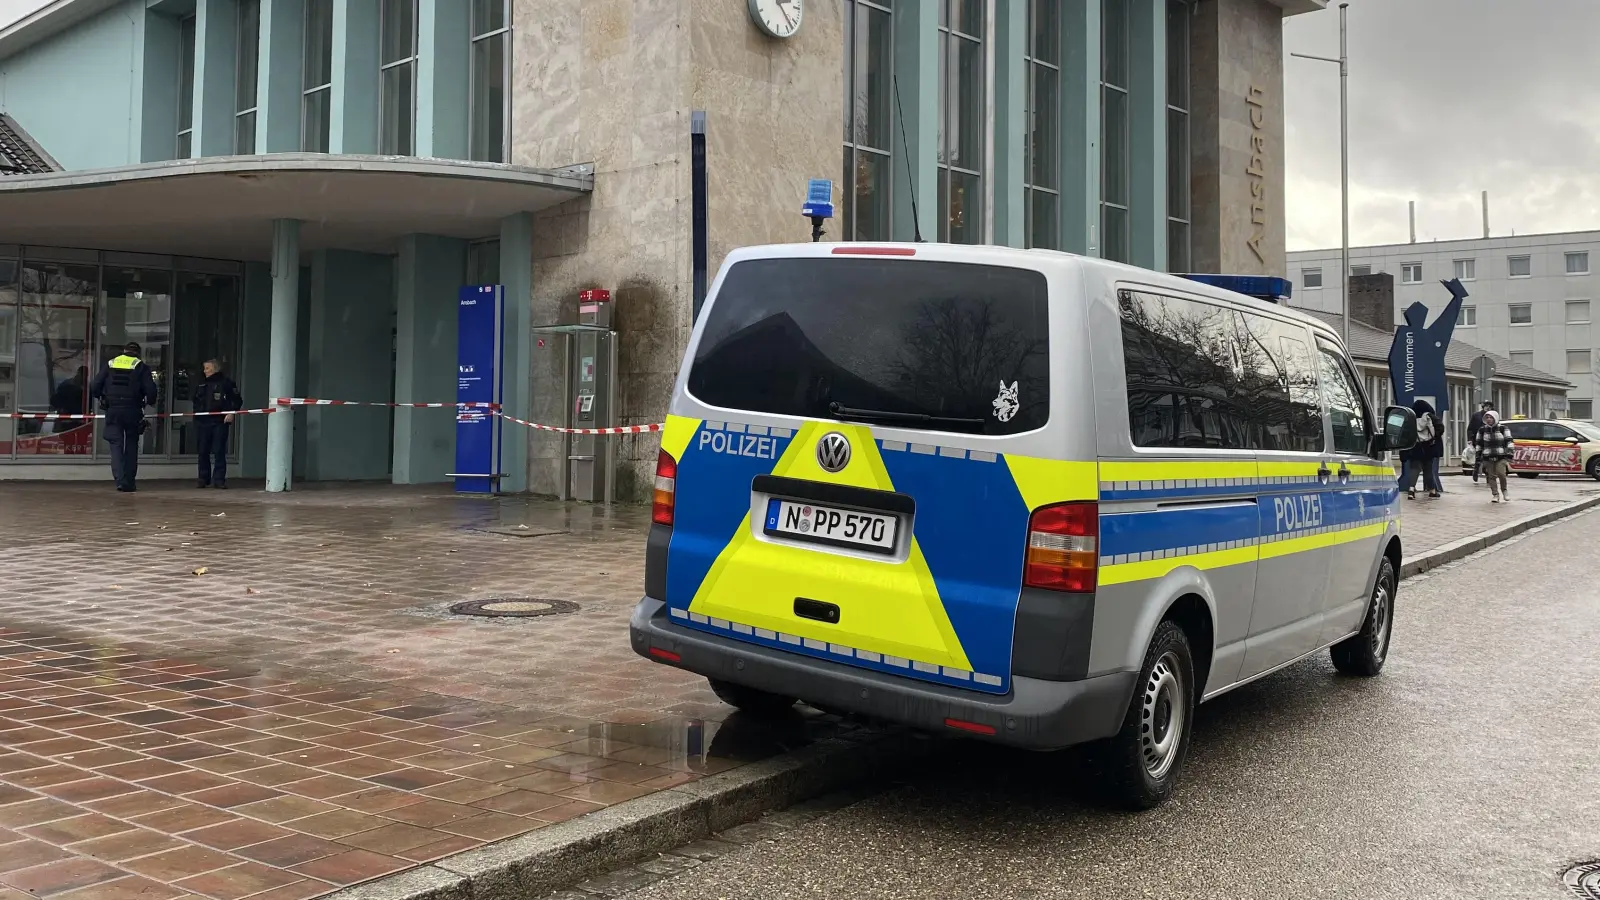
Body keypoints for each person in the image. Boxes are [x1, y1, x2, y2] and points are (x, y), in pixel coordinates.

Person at [90, 342, 158, 492]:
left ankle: (120, 480)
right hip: (132, 410)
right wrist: (149, 402)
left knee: (116, 444)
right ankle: (129, 482)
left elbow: (95, 385)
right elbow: (151, 391)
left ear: (124, 351)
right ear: (138, 353)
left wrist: (101, 397)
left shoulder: (111, 363)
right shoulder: (141, 366)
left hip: (113, 410)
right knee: (131, 445)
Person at [192, 359, 242, 488]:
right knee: (203, 451)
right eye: (204, 368)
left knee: (219, 450)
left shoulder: (226, 383)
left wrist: (232, 413)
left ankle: (219, 479)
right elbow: (196, 401)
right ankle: (203, 478)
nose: (205, 371)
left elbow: (237, 400)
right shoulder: (201, 383)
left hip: (219, 421)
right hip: (203, 421)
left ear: (215, 369)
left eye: (207, 368)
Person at [1400, 398, 1444, 499]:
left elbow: (1404, 433)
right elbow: (1441, 427)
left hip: (1415, 446)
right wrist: (1434, 437)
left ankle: (1411, 491)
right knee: (1428, 469)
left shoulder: (1410, 418)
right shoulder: (1430, 416)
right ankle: (1432, 491)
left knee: (1414, 468)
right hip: (1429, 446)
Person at [1475, 409, 1515, 503]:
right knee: (1491, 476)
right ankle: (1495, 494)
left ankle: (1504, 490)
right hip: (1487, 457)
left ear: (1495, 418)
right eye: (1487, 417)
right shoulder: (1482, 430)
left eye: (1491, 417)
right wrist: (1478, 457)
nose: (1489, 419)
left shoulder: (1503, 428)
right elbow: (1479, 444)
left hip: (1500, 456)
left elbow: (1509, 441)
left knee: (1501, 474)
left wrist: (1509, 455)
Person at [1466, 400, 1492, 482]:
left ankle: (1488, 475)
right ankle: (1476, 471)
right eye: (1487, 406)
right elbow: (1470, 428)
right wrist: (1470, 439)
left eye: (1490, 406)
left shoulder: (1493, 416)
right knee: (1478, 457)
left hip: (1489, 440)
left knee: (1487, 458)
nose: (1488, 408)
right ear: (1483, 406)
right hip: (1477, 440)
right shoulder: (1476, 415)